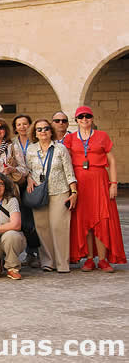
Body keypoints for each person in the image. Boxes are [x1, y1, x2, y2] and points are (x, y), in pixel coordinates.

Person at [63, 106, 126, 272]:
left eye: (87, 116)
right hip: (80, 183)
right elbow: (65, 162)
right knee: (84, 220)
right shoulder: (70, 138)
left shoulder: (102, 136)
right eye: (81, 117)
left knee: (102, 219)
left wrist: (113, 183)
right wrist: (70, 187)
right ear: (76, 120)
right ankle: (90, 258)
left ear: (92, 118)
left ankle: (103, 260)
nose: (84, 119)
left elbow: (112, 161)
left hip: (99, 182)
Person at [26, 118, 77, 273]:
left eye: (46, 128)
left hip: (59, 191)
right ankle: (48, 261)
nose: (43, 132)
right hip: (39, 192)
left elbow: (69, 171)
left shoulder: (60, 148)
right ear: (35, 133)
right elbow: (27, 170)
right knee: (42, 227)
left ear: (51, 131)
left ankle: (62, 263)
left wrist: (74, 191)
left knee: (58, 227)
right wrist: (29, 179)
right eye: (39, 129)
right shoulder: (31, 150)